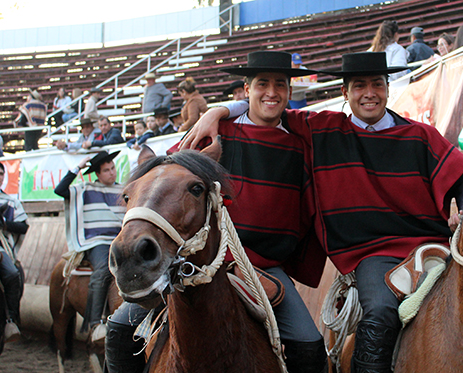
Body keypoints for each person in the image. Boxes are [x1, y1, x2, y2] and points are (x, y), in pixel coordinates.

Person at [183, 51, 463, 373]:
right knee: (379, 310)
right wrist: (215, 112)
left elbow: (462, 180)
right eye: (359, 86)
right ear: (345, 94)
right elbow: (266, 110)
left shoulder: (422, 135)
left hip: (436, 245)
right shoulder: (323, 128)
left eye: (377, 84)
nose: (369, 93)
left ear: (388, 88)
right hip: (375, 255)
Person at [105, 51, 328, 373]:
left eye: (280, 85)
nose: (271, 92)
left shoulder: (300, 138)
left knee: (309, 344)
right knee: (119, 329)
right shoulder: (216, 131)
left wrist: (221, 109)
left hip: (264, 266)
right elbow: (170, 179)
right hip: (201, 258)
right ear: (246, 90)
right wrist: (219, 113)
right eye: (261, 84)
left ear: (289, 93)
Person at [54, 150, 124, 343]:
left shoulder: (124, 190)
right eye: (106, 170)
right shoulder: (84, 189)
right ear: (97, 174)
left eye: (113, 168)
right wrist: (77, 168)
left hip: (121, 240)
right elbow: (59, 190)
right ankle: (95, 323)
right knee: (103, 269)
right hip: (97, 241)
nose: (112, 173)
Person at [0, 161, 29, 342]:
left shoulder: (11, 201)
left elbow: (23, 227)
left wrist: (1, 223)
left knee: (12, 273)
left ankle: (11, 319)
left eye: (1, 174)